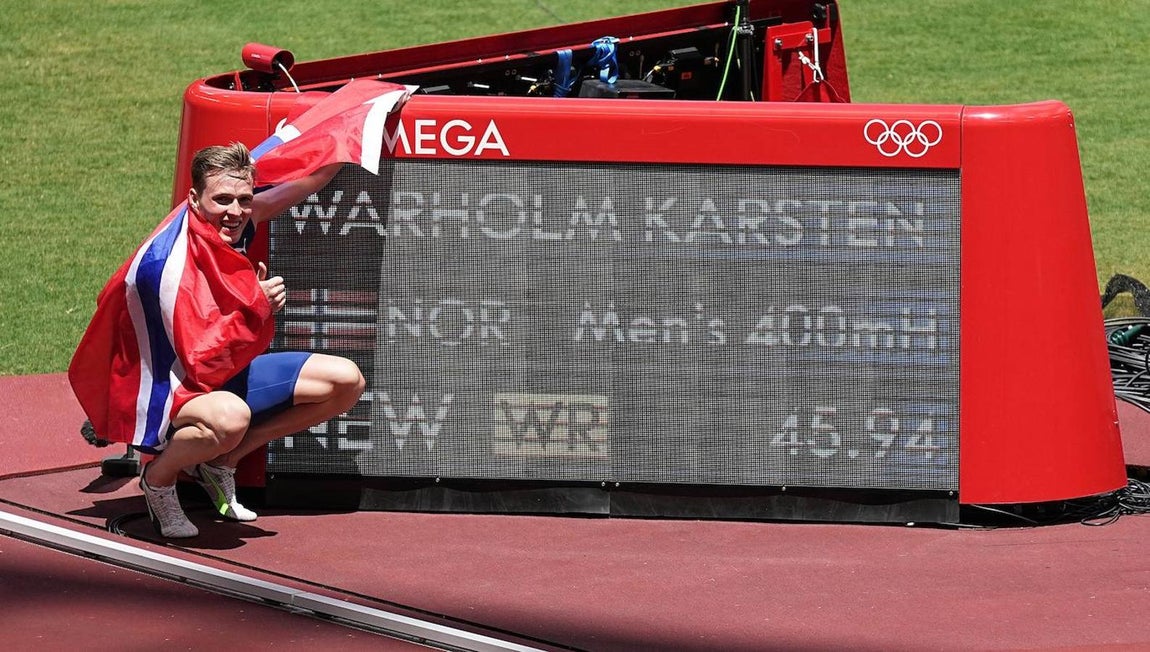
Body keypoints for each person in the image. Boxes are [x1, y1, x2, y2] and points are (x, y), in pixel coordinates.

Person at [133, 143, 364, 538]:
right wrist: (255, 306)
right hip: (176, 386)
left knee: (346, 382)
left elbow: (311, 180)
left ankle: (223, 461)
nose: (236, 212)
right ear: (194, 198)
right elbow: (198, 359)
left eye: (244, 198)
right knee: (231, 418)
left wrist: (350, 130)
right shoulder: (166, 266)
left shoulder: (242, 217)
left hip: (229, 369)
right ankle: (158, 478)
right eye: (222, 200)